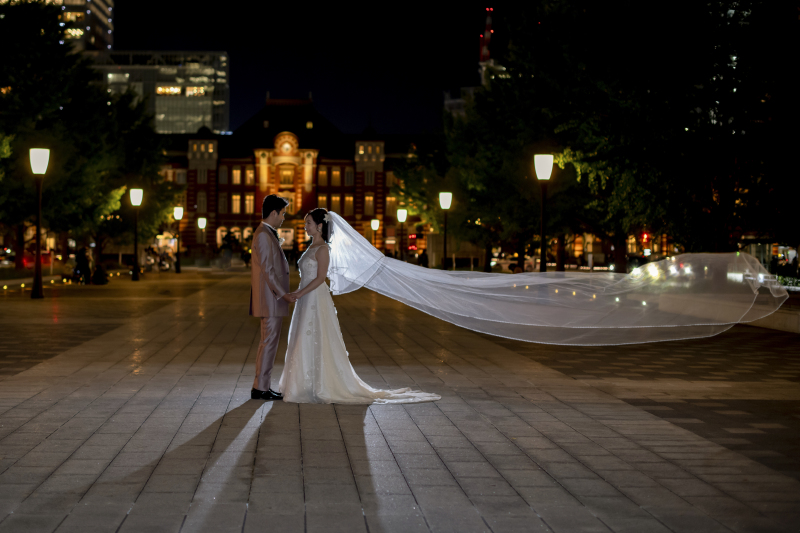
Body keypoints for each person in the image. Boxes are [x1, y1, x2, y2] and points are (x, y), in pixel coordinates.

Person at [278, 208, 440, 404]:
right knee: (302, 336)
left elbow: (321, 278)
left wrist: (299, 293)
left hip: (314, 298)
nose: (306, 227)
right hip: (305, 298)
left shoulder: (323, 249)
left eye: (309, 223)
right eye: (306, 223)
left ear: (320, 226)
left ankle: (319, 384)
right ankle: (302, 383)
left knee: (315, 335)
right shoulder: (310, 247)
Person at [249, 195, 296, 401]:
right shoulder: (263, 235)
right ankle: (260, 388)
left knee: (268, 342)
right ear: (274, 213)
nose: (284, 218)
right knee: (268, 343)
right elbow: (268, 270)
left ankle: (262, 386)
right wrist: (283, 294)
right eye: (283, 213)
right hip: (270, 299)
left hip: (270, 299)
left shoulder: (266, 233)